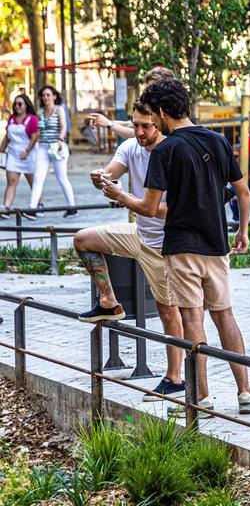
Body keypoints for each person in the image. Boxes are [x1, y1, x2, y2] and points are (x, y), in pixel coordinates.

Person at [102, 78, 250, 418]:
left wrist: (120, 196)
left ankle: (200, 399)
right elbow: (243, 192)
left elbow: (149, 208)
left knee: (193, 321)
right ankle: (245, 392)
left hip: (181, 247)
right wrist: (243, 231)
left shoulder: (165, 150)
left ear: (161, 111)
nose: (153, 124)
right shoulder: (219, 140)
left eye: (153, 117)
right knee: (225, 315)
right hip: (217, 244)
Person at [74, 101, 187, 401]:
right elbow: (111, 174)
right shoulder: (130, 147)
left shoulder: (172, 152)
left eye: (145, 126)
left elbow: (168, 210)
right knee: (82, 240)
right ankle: (109, 301)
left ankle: (174, 378)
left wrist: (124, 197)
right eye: (135, 124)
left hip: (164, 244)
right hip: (138, 234)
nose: (139, 131)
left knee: (167, 309)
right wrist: (102, 179)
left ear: (159, 123)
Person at [90, 67, 177, 142]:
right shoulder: (155, 107)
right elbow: (134, 124)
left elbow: (148, 135)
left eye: (154, 88)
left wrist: (110, 125)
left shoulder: (170, 110)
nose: (150, 93)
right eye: (149, 88)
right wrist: (106, 122)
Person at [29, 85, 76, 217]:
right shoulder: (40, 111)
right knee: (38, 177)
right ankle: (33, 208)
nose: (45, 98)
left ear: (54, 96)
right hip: (43, 147)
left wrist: (60, 139)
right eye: (43, 95)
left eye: (48, 95)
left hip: (57, 146)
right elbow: (38, 130)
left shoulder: (59, 109)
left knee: (62, 177)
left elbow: (63, 126)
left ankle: (72, 207)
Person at [1, 94, 37, 217]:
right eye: (15, 104)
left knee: (33, 182)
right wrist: (1, 150)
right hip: (13, 154)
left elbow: (34, 137)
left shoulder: (32, 119)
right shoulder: (11, 119)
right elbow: (7, 137)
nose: (17, 106)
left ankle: (39, 204)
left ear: (26, 105)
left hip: (28, 155)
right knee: (11, 181)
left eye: (20, 104)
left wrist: (27, 151)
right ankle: (6, 207)